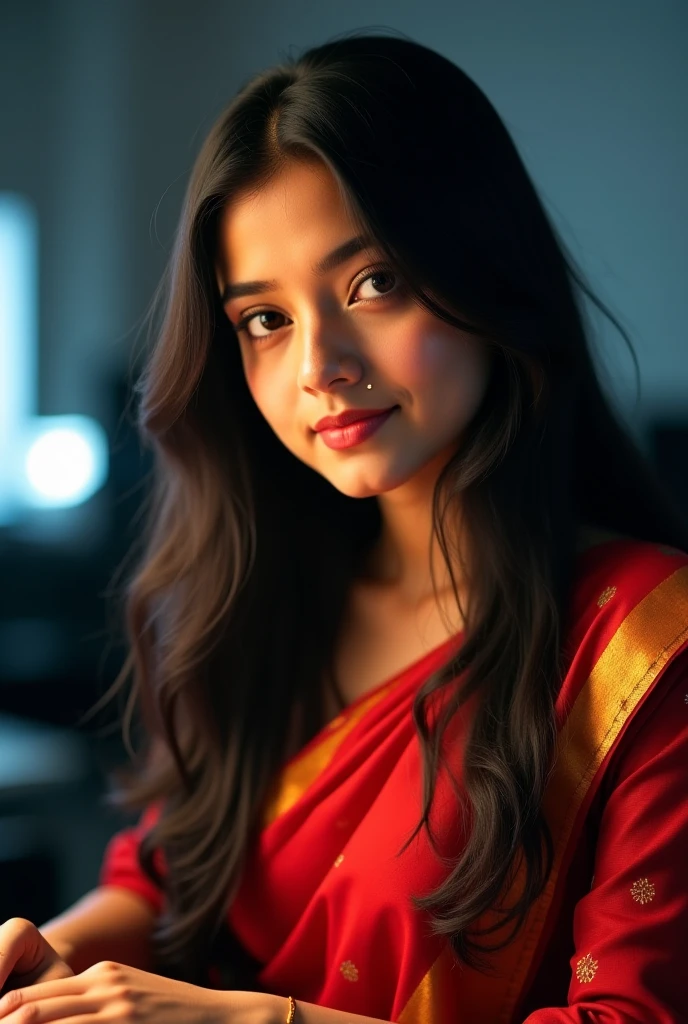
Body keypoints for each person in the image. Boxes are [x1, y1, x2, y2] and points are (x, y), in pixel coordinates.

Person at [1, 30, 687, 1024]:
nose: (318, 364)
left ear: (487, 273)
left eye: (371, 283)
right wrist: (49, 954)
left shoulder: (645, 647)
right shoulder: (261, 599)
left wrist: (250, 1018)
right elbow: (162, 873)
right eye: (264, 320)